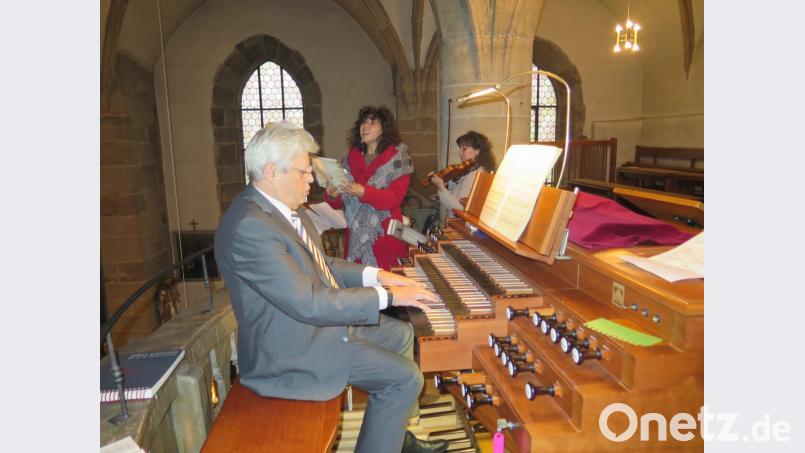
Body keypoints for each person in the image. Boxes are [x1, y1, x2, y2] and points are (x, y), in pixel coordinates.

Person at [215, 121, 448, 453]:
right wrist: (390, 296)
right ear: (271, 171)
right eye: (303, 171)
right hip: (293, 349)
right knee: (407, 377)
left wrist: (377, 276)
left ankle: (393, 434)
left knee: (399, 334)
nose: (311, 179)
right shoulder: (250, 227)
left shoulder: (283, 210)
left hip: (312, 328)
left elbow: (324, 265)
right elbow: (308, 303)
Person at [325, 106, 412, 270]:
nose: (365, 127)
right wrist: (333, 195)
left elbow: (394, 198)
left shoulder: (398, 160)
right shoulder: (349, 161)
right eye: (363, 123)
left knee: (390, 286)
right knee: (359, 286)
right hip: (356, 232)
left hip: (386, 232)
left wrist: (365, 193)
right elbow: (339, 204)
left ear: (384, 129)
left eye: (372, 123)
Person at [429, 131, 497, 218]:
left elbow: (459, 209)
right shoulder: (472, 170)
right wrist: (444, 188)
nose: (460, 153)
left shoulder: (475, 175)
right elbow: (459, 196)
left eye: (464, 149)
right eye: (460, 149)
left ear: (477, 151)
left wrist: (441, 188)